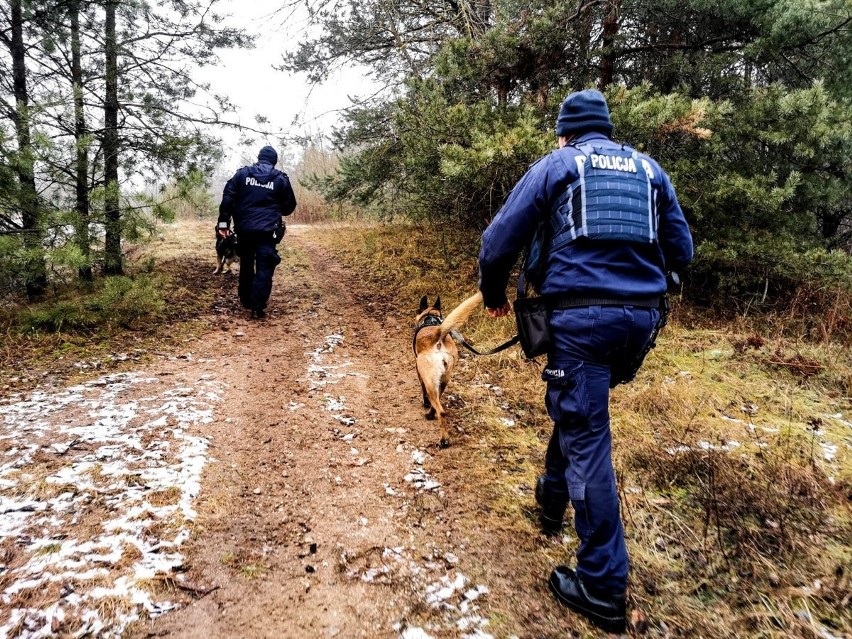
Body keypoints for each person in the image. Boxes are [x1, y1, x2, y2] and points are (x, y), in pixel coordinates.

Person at [478, 89, 693, 633]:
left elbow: (498, 239)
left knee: (588, 433)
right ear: (608, 128)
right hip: (641, 324)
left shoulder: (558, 164)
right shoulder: (649, 169)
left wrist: (492, 290)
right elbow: (682, 250)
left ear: (565, 131)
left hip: (581, 322)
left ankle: (601, 585)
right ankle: (552, 501)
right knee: (583, 413)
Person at [217, 145, 297, 319]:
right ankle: (257, 307)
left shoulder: (242, 175)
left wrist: (223, 224)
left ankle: (246, 299)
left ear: (259, 158)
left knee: (246, 262)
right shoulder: (280, 178)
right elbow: (289, 206)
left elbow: (228, 199)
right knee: (265, 266)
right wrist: (276, 208)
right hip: (268, 231)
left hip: (244, 229)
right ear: (274, 161)